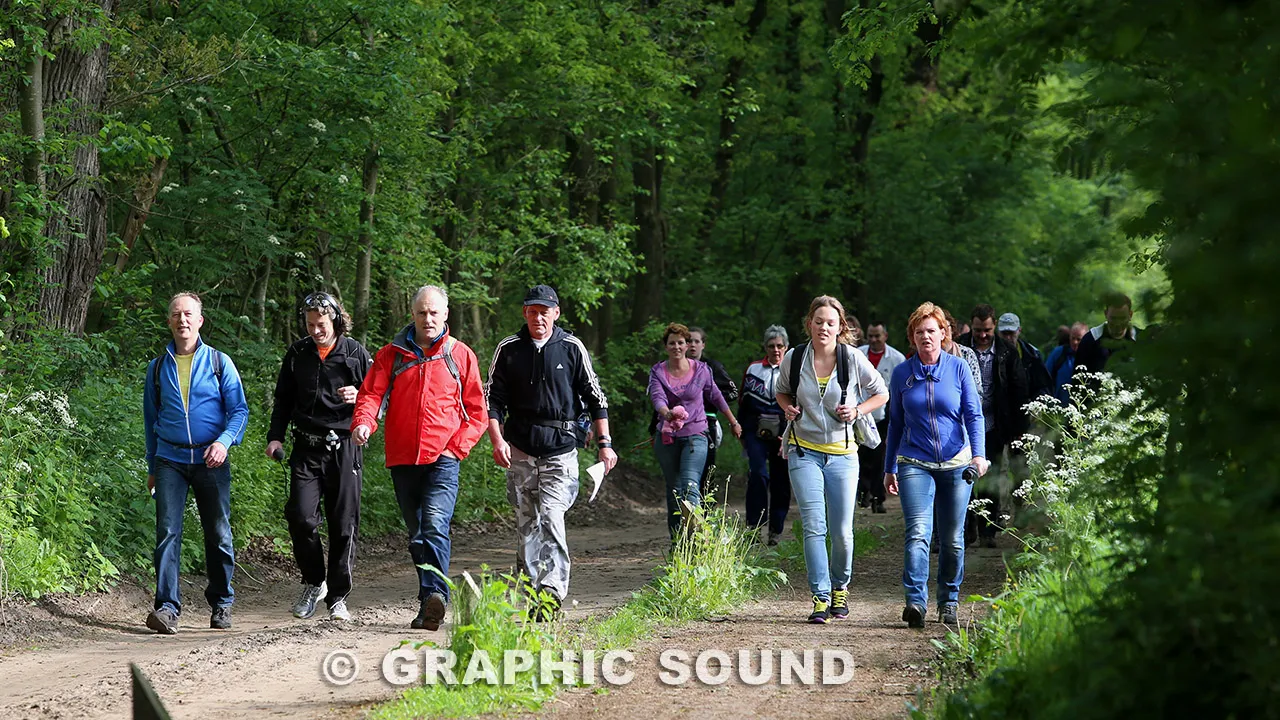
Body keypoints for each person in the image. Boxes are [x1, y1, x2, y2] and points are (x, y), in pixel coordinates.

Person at [351, 285, 487, 631]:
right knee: (416, 536)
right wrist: (364, 423)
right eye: (422, 313)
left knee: (435, 526)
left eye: (434, 313)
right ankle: (430, 598)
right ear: (412, 315)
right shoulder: (391, 355)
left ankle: (433, 598)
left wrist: (455, 448)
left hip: (443, 457)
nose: (428, 319)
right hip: (403, 458)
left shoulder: (460, 355)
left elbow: (477, 413)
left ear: (446, 316)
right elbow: (370, 395)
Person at [485, 285, 617, 621]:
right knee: (527, 525)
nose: (538, 317)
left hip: (560, 450)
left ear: (556, 313)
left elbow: (595, 397)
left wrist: (605, 444)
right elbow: (492, 400)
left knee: (552, 519)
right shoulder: (509, 349)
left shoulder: (572, 347)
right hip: (519, 449)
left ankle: (552, 595)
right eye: (532, 311)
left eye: (545, 311)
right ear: (524, 313)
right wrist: (497, 440)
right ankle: (532, 594)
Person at [143, 292, 250, 634]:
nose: (182, 320)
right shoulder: (157, 368)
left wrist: (224, 441)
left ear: (200, 320)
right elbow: (150, 419)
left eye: (188, 314)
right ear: (169, 321)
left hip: (211, 458)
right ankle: (167, 609)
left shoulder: (220, 362)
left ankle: (222, 603)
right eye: (176, 315)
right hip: (169, 459)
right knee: (167, 532)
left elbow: (239, 411)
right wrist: (150, 466)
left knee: (217, 533)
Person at [776, 296, 888, 624]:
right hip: (803, 450)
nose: (824, 327)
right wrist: (787, 408)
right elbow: (782, 391)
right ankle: (821, 597)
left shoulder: (852, 358)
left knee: (841, 531)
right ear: (809, 323)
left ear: (840, 327)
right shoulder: (795, 358)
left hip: (843, 454)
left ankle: (840, 587)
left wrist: (857, 410)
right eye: (818, 321)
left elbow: (882, 392)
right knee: (814, 525)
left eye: (830, 322)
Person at [266, 292, 373, 622]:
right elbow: (283, 398)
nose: (316, 330)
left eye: (322, 324)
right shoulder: (298, 354)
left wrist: (360, 396)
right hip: (306, 447)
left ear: (337, 321)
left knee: (343, 523)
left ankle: (338, 597)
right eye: (310, 325)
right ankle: (315, 582)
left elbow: (379, 396)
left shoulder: (355, 354)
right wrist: (275, 436)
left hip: (344, 446)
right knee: (300, 517)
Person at [883, 302, 989, 628]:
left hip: (957, 463)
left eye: (932, 331)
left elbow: (973, 414)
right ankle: (915, 602)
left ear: (944, 334)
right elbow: (895, 423)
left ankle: (949, 601)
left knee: (953, 538)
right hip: (915, 460)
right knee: (918, 532)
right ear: (912, 338)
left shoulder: (958, 368)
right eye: (919, 332)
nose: (926, 337)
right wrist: (889, 467)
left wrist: (979, 455)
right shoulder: (902, 373)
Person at [650, 323, 743, 539]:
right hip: (667, 438)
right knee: (674, 491)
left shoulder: (701, 370)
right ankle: (678, 542)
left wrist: (733, 421)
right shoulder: (658, 371)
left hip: (696, 435)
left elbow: (716, 395)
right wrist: (667, 413)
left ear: (687, 345)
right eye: (672, 343)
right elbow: (657, 397)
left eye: (681, 342)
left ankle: (695, 542)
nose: (677, 347)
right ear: (666, 347)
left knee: (690, 486)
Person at [957, 304, 1029, 547]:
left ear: (994, 326)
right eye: (978, 330)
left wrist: (1017, 428)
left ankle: (988, 530)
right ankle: (966, 529)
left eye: (987, 330)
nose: (983, 335)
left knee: (991, 476)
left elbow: (1018, 389)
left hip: (995, 424)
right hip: (962, 424)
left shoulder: (1007, 352)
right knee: (962, 476)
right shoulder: (959, 348)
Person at [739, 326, 792, 545]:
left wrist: (790, 435)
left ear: (786, 347)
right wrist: (742, 432)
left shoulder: (794, 370)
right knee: (758, 476)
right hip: (756, 433)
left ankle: (776, 529)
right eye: (771, 346)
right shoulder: (753, 370)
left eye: (780, 346)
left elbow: (800, 404)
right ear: (765, 347)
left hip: (784, 434)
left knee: (781, 481)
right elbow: (744, 403)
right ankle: (753, 526)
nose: (776, 350)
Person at [857, 321, 906, 513]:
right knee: (861, 455)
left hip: (885, 413)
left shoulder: (896, 358)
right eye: (870, 336)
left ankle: (879, 497)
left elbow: (899, 390)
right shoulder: (858, 355)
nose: (874, 340)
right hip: (860, 412)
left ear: (885, 336)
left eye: (877, 336)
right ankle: (863, 493)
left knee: (880, 457)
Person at [686, 327, 740, 498]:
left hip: (707, 423)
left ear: (703, 344)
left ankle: (706, 514)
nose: (693, 345)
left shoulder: (713, 367)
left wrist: (706, 397)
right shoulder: (676, 368)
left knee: (707, 470)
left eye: (696, 341)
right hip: (680, 424)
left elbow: (732, 393)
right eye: (689, 341)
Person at [1075, 292, 1140, 373]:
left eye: (1122, 318)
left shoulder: (1141, 339)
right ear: (1106, 314)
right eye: (1113, 318)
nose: (1117, 323)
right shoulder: (1091, 340)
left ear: (1130, 315)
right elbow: (1078, 377)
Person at [998, 312, 1053, 402]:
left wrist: (1036, 405)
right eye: (1004, 333)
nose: (1008, 338)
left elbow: (1043, 386)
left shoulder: (1032, 355)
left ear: (1019, 330)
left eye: (1011, 333)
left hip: (1024, 408)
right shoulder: (989, 354)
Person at [1044, 322, 1088, 404]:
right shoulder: (1059, 353)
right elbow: (1045, 377)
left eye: (1079, 339)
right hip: (1058, 405)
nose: (1075, 342)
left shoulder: (1090, 356)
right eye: (1073, 338)